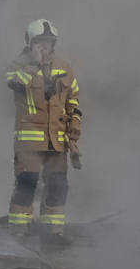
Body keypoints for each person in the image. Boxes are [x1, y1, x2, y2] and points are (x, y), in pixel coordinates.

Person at [6, 18, 83, 244]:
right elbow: (15, 85)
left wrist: (74, 135)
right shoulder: (17, 66)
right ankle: (19, 234)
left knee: (58, 186)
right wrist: (33, 64)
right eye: (39, 42)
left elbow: (73, 103)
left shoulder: (64, 67)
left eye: (48, 42)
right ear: (30, 43)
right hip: (28, 143)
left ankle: (53, 233)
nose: (44, 46)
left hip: (57, 142)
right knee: (27, 183)